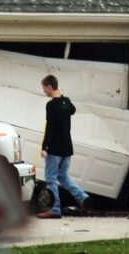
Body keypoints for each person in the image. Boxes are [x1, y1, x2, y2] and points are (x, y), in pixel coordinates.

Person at [36, 74, 90, 219]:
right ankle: (82, 197)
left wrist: (44, 147)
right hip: (67, 147)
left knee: (51, 178)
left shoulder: (51, 105)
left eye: (44, 88)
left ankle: (54, 209)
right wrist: (62, 95)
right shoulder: (66, 102)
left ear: (49, 86)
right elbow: (72, 110)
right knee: (63, 176)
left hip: (55, 148)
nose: (44, 91)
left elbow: (50, 126)